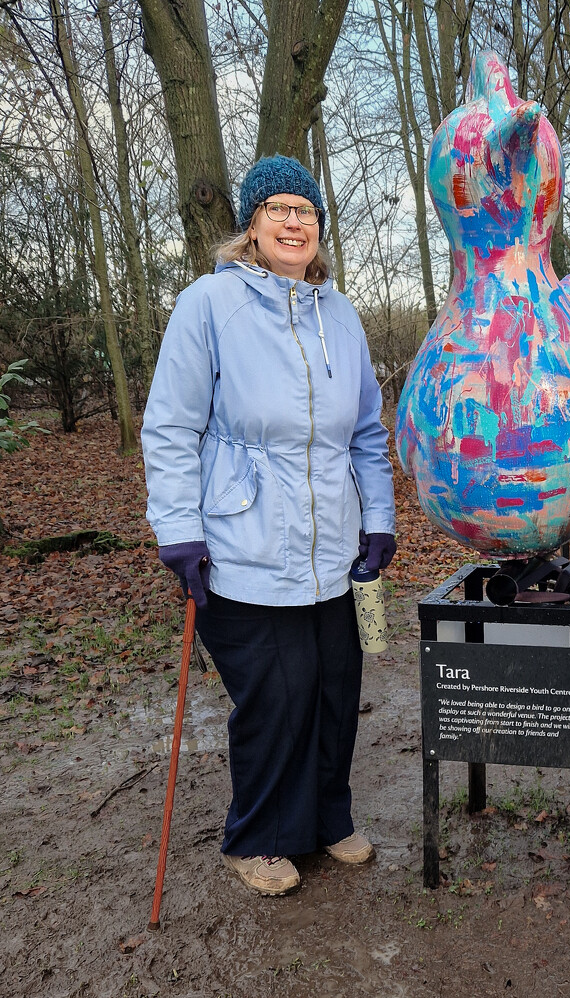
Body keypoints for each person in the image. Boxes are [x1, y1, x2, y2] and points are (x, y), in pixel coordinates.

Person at [142, 155, 397, 897]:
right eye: (278, 210)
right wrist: (179, 530)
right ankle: (255, 836)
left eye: (306, 211)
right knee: (275, 697)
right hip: (244, 541)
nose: (294, 222)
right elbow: (170, 428)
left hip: (333, 548)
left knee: (332, 689)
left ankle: (326, 816)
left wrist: (376, 519)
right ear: (250, 227)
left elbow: (367, 433)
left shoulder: (341, 314)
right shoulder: (207, 306)